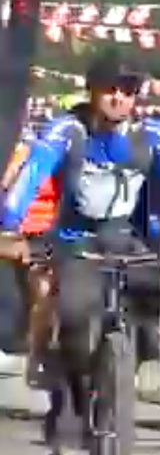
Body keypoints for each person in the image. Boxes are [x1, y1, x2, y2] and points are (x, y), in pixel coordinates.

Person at [0, 52, 160, 455]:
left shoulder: (153, 135)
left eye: (128, 91)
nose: (119, 98)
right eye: (110, 89)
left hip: (128, 238)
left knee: (146, 294)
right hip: (74, 240)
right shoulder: (68, 130)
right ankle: (66, 397)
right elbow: (31, 176)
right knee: (77, 320)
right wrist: (8, 227)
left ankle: (134, 365)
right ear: (92, 91)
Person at [4, 101, 65, 385]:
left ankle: (37, 352)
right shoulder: (20, 156)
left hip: (47, 232)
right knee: (25, 295)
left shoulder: (59, 160)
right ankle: (23, 340)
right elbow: (6, 187)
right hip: (20, 232)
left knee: (44, 294)